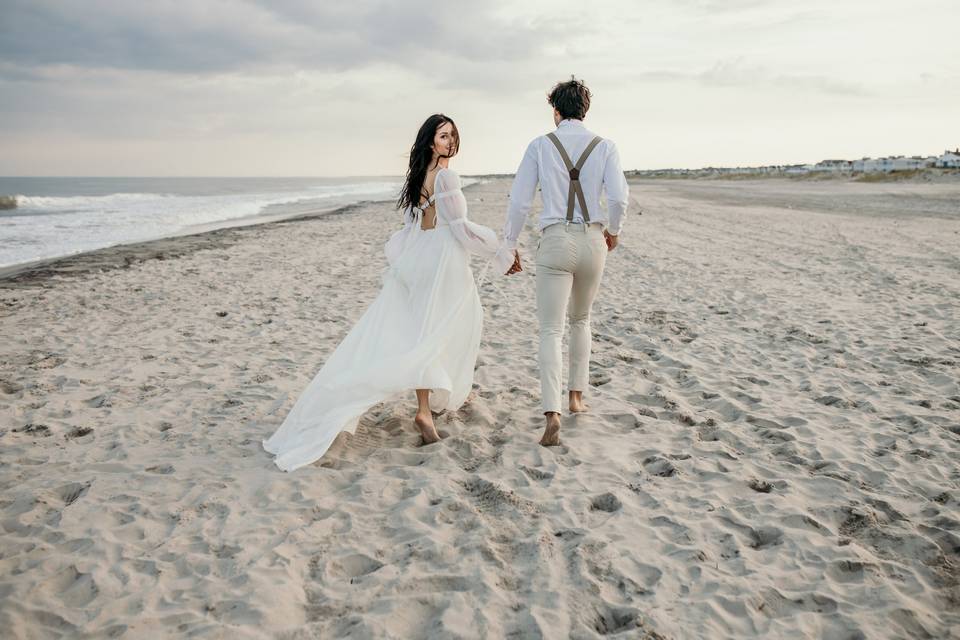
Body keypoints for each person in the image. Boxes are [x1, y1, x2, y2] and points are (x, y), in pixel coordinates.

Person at [263, 114, 514, 471]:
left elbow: (414, 226)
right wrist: (499, 250)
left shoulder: (419, 178)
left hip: (421, 256)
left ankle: (427, 408)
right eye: (444, 136)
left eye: (453, 136)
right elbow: (460, 228)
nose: (451, 142)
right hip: (443, 259)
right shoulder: (446, 175)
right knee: (443, 326)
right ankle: (426, 411)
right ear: (431, 142)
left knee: (424, 331)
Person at [503, 77, 629, 446]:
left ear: (555, 111)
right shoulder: (605, 146)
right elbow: (619, 198)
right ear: (585, 110)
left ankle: (551, 413)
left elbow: (520, 201)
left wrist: (510, 243)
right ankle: (576, 398)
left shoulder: (540, 145)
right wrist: (615, 232)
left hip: (556, 239)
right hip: (593, 239)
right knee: (581, 320)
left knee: (550, 329)